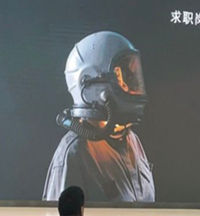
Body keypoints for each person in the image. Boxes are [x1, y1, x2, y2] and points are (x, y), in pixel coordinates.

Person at [43, 31, 155, 202]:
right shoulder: (75, 152)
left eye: (130, 77)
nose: (129, 87)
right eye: (120, 79)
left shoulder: (132, 141)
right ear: (88, 81)